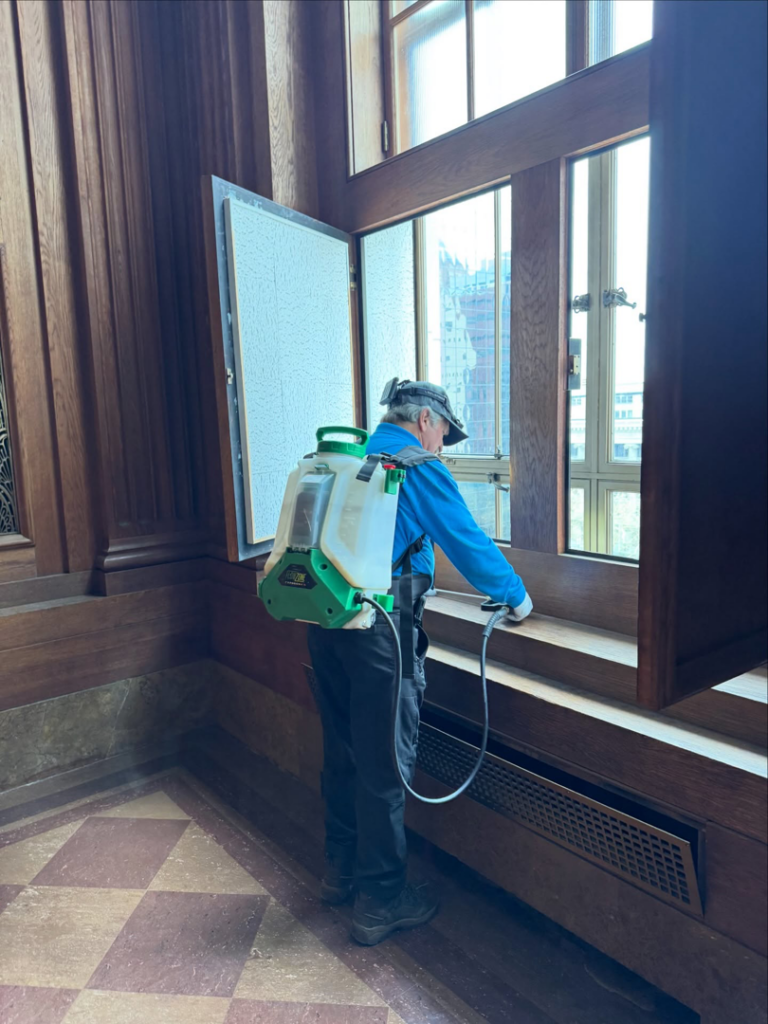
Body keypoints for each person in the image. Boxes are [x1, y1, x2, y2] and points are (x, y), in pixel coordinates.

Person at [307, 378, 532, 946]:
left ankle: (341, 873)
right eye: (443, 436)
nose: (441, 447)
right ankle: (381, 902)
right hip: (382, 631)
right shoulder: (414, 465)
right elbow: (467, 540)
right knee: (385, 768)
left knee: (342, 754)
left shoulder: (345, 456)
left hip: (325, 623)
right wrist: (516, 595)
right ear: (427, 420)